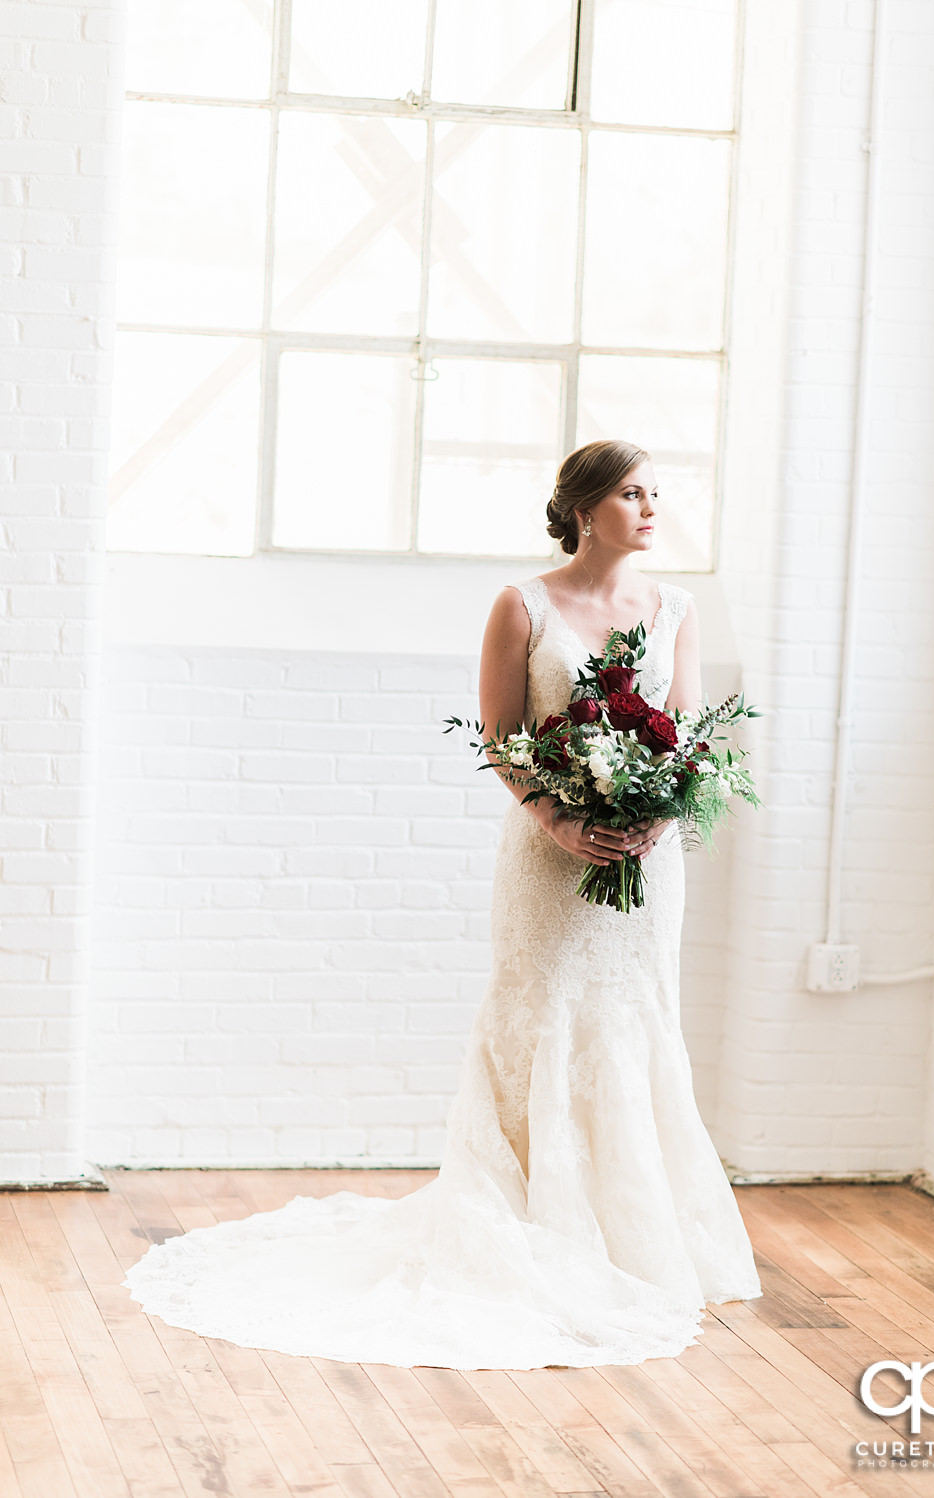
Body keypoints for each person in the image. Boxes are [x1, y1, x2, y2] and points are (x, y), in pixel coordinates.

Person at [122, 438, 762, 1369]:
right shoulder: (524, 607)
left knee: (635, 1022)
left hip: (645, 868)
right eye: (632, 494)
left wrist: (658, 816)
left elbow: (691, 739)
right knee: (538, 1020)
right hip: (550, 861)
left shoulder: (678, 610)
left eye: (657, 493)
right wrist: (562, 825)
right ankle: (524, 1224)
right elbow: (504, 739)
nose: (653, 509)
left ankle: (635, 1241)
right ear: (585, 510)